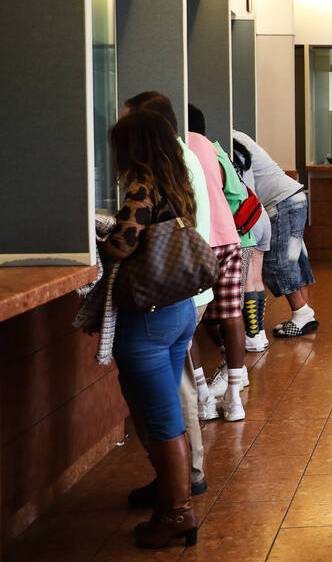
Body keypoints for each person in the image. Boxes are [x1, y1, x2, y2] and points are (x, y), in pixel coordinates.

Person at [101, 110, 202, 548]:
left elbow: (122, 246)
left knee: (159, 419)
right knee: (165, 413)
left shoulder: (141, 188)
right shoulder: (177, 187)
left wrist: (101, 237)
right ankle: (169, 498)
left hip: (148, 319)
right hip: (177, 310)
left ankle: (177, 512)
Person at [122, 92, 211, 498]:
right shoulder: (180, 169)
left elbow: (125, 242)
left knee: (165, 406)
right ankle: (180, 482)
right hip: (183, 291)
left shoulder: (147, 181)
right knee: (173, 396)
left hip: (159, 298)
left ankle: (180, 491)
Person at [184, 105, 249, 421]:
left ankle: (204, 399)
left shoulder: (176, 147)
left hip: (198, 244)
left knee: (188, 322)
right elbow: (233, 189)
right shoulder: (213, 148)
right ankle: (235, 398)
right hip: (228, 238)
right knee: (231, 314)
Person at [231, 129, 319, 338]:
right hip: (291, 197)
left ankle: (302, 314)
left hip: (280, 202)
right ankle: (303, 316)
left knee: (277, 262)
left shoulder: (231, 141)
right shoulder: (238, 136)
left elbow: (246, 185)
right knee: (294, 260)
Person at [230, 137, 272, 353]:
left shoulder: (223, 157)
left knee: (246, 280)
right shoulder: (242, 153)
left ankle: (252, 334)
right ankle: (259, 334)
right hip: (259, 213)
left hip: (246, 221)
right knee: (256, 278)